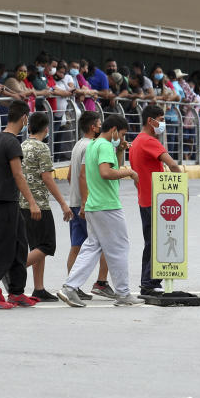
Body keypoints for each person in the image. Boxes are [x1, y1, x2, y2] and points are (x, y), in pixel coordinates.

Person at [56, 115, 143, 308]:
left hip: (95, 205)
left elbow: (101, 169)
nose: (121, 138)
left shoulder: (94, 145)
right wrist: (130, 172)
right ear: (113, 130)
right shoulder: (103, 146)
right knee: (119, 247)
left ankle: (70, 287)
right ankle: (123, 293)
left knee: (92, 246)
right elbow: (106, 172)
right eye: (121, 134)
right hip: (107, 205)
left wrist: (120, 150)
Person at [0, 100, 42, 309]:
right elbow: (18, 175)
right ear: (24, 118)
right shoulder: (12, 142)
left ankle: (16, 291)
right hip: (6, 202)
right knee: (3, 248)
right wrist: (32, 202)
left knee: (19, 245)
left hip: (2, 201)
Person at [19, 112, 74, 301]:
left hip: (23, 202)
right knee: (47, 244)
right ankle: (13, 268)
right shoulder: (41, 148)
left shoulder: (22, 145)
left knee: (36, 245)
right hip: (39, 204)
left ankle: (39, 287)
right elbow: (47, 177)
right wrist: (63, 203)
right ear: (46, 128)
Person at [130, 105, 184, 296]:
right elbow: (172, 164)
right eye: (160, 119)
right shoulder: (150, 142)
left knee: (151, 242)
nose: (163, 123)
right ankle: (150, 283)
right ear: (150, 121)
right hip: (157, 200)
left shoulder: (135, 142)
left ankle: (148, 281)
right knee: (158, 242)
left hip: (144, 199)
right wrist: (181, 189)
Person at [66, 111, 114, 299]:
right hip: (89, 203)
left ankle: (72, 285)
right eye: (99, 123)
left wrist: (77, 196)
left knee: (76, 246)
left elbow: (71, 175)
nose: (101, 126)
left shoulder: (77, 145)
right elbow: (84, 174)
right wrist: (86, 200)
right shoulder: (93, 146)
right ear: (93, 127)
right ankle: (101, 282)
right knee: (106, 242)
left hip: (74, 201)